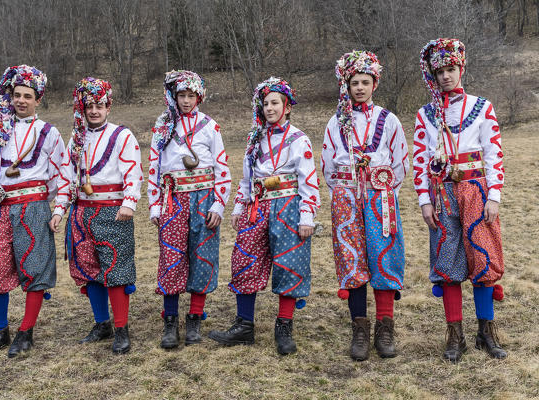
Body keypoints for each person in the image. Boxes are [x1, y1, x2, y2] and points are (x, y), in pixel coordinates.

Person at [208, 77, 320, 355]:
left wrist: (306, 216)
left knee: (289, 264)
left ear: (287, 106)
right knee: (245, 260)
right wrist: (238, 207)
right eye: (265, 103)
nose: (269, 108)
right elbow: (247, 179)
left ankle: (284, 327)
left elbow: (308, 180)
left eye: (275, 103)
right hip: (257, 207)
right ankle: (244, 325)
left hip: (288, 207)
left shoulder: (298, 138)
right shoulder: (254, 138)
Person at [414, 38, 506, 362]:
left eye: (451, 69)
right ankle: (455, 335)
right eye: (439, 71)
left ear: (460, 68)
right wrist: (424, 200)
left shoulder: (482, 107)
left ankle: (486, 331)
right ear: (433, 75)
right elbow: (420, 159)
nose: (446, 76)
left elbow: (493, 153)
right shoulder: (426, 115)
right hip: (442, 196)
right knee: (448, 261)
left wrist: (493, 195)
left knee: (482, 259)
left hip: (476, 192)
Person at [321, 51, 409, 361]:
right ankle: (360, 326)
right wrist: (345, 192)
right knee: (352, 257)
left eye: (365, 82)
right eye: (354, 82)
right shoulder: (336, 122)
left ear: (375, 84)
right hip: (346, 198)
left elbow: (399, 162)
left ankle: (385, 326)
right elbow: (328, 164)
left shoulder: (390, 120)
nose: (359, 87)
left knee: (383, 257)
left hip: (380, 198)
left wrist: (384, 191)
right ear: (346, 84)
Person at [49, 77, 142, 354]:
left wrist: (129, 202)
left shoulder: (122, 135)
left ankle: (122, 329)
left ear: (108, 106)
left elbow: (133, 171)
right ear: (82, 107)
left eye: (100, 105)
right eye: (89, 105)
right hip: (82, 212)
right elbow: (67, 178)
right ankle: (102, 324)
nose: (94, 111)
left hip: (114, 211)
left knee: (116, 270)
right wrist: (59, 210)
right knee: (90, 270)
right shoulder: (76, 139)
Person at [0, 65, 65, 358]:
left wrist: (58, 209)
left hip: (35, 208)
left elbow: (63, 174)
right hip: (5, 208)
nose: (21, 101)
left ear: (38, 100)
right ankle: (0, 330)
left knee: (36, 268)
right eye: (17, 95)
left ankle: (25, 331)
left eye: (27, 96)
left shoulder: (49, 132)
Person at [148, 70, 231, 349]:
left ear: (199, 97)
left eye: (191, 96)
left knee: (202, 255)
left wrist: (219, 204)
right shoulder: (163, 126)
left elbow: (222, 168)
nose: (185, 101)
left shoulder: (210, 126)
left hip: (205, 198)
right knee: (171, 257)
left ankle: (195, 318)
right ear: (173, 95)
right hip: (173, 199)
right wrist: (155, 205)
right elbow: (153, 166)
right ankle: (170, 320)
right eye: (181, 95)